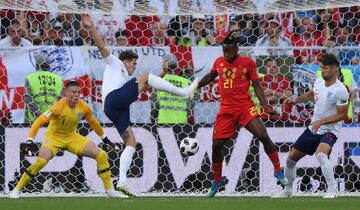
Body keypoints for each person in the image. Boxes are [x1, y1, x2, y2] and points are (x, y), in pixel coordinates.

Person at [81, 14, 198, 197]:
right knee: (144, 76)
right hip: (113, 100)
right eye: (133, 63)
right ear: (125, 61)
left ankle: (122, 182)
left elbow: (149, 85)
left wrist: (163, 73)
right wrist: (91, 26)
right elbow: (101, 46)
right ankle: (185, 93)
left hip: (114, 109)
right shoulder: (115, 63)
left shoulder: (126, 79)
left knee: (131, 141)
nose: (134, 67)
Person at [197, 29, 288, 197]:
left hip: (245, 107)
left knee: (263, 135)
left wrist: (266, 107)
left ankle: (278, 170)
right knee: (216, 146)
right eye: (224, 51)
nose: (227, 54)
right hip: (226, 110)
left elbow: (257, 85)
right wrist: (195, 86)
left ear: (237, 49)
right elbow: (210, 77)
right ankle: (217, 180)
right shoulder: (219, 62)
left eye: (230, 51)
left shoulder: (248, 62)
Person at [9, 81, 123, 198]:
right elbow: (38, 121)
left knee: (102, 155)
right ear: (66, 94)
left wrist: (106, 140)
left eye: (78, 92)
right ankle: (16, 190)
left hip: (72, 137)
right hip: (53, 138)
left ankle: (110, 191)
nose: (77, 95)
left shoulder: (83, 107)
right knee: (41, 162)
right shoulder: (57, 107)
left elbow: (93, 122)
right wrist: (29, 141)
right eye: (74, 92)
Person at [272, 53, 349, 199]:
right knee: (291, 158)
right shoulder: (319, 81)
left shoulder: (341, 90)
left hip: (330, 130)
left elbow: (342, 115)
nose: (322, 70)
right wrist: (296, 100)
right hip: (314, 128)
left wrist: (321, 121)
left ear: (334, 69)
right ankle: (288, 190)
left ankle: (332, 190)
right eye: (321, 67)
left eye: (325, 68)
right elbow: (313, 93)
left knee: (321, 154)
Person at [24, 53, 63, 123]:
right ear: (49, 65)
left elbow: (28, 100)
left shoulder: (30, 78)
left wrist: (41, 117)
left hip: (34, 121)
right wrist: (49, 116)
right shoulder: (59, 79)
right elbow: (61, 102)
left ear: (36, 65)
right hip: (52, 120)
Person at [156, 54, 190, 124]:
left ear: (164, 64)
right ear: (177, 64)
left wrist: (153, 120)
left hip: (163, 122)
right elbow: (190, 103)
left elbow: (155, 105)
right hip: (182, 122)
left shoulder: (159, 81)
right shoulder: (184, 81)